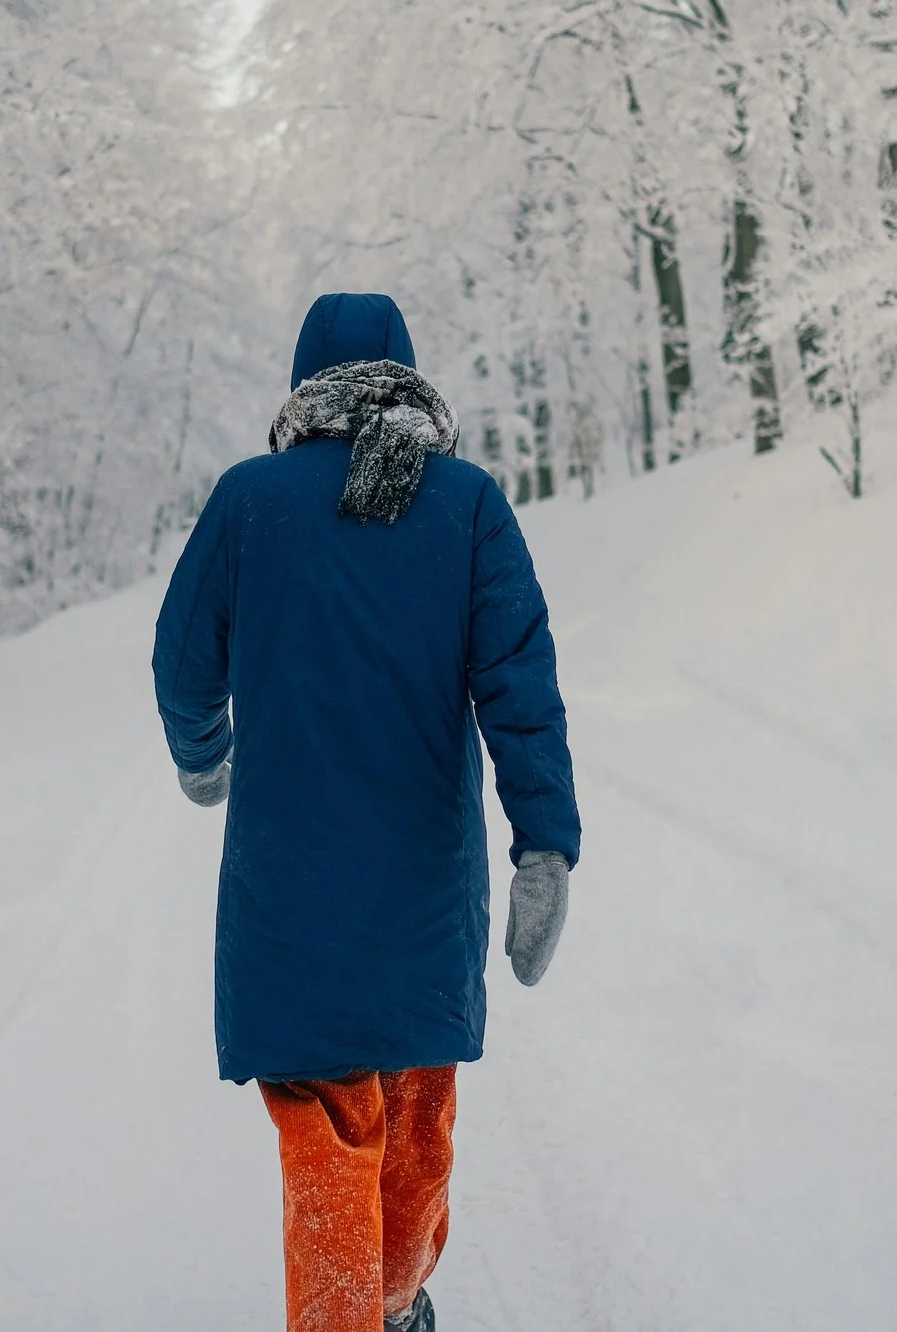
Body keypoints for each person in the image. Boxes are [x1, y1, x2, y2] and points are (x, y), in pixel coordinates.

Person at [152, 292, 582, 1332]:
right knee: (418, 1115)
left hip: (287, 891)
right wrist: (543, 846)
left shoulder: (248, 500)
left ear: (304, 387)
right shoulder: (469, 503)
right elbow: (520, 686)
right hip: (424, 889)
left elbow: (181, 660)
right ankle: (390, 1306)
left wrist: (206, 758)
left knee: (329, 1130)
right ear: (410, 378)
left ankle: (358, 1313)